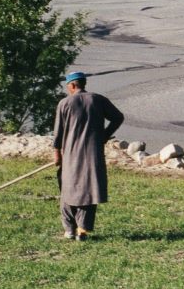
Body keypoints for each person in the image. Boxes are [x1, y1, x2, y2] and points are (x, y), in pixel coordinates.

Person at [53, 71, 124, 241]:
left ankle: (69, 230)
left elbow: (58, 134)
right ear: (83, 83)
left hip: (71, 154)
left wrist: (57, 154)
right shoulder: (98, 100)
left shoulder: (65, 103)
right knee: (89, 189)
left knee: (68, 190)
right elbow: (118, 118)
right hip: (94, 153)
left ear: (72, 85)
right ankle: (82, 230)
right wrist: (104, 135)